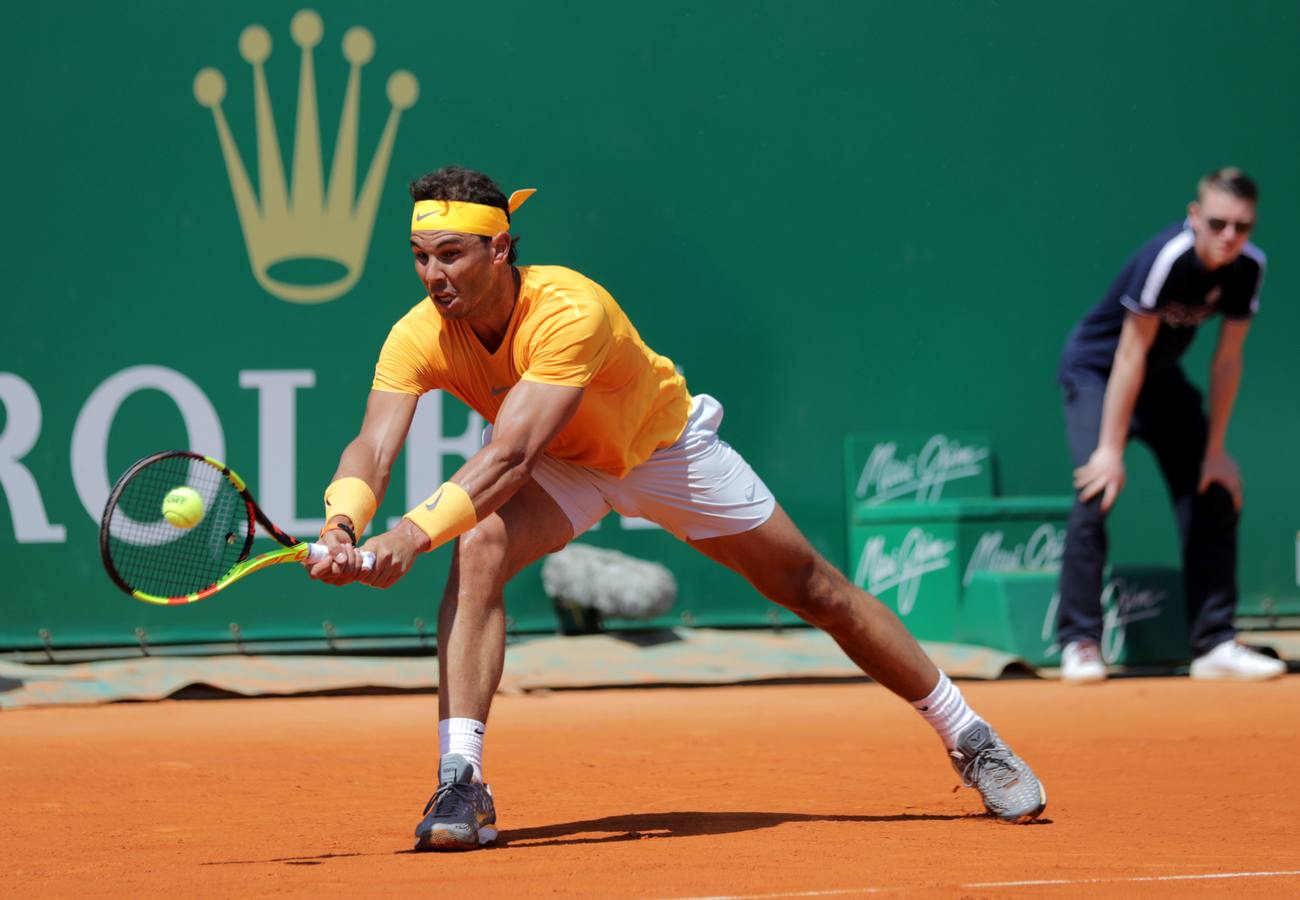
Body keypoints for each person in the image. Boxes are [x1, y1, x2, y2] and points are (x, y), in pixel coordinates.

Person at [306, 166, 1046, 851]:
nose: (434, 275)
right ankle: (461, 782)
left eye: (452, 254)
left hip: (660, 448)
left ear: (501, 248)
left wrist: (410, 533)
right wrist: (343, 522)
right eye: (420, 256)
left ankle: (970, 735)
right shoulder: (418, 335)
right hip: (568, 467)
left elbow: (510, 455)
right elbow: (372, 448)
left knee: (813, 589)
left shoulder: (570, 309)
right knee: (479, 548)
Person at [1056, 166, 1285, 684]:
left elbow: (1227, 362)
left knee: (1215, 490)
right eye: (1219, 223)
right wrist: (1110, 451)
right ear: (1195, 217)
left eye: (1242, 227)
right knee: (1097, 486)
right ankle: (1080, 642)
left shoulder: (1248, 268)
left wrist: (1217, 451)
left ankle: (1213, 643)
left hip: (1160, 379)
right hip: (1099, 370)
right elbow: (1130, 353)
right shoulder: (1168, 259)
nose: (1229, 237)